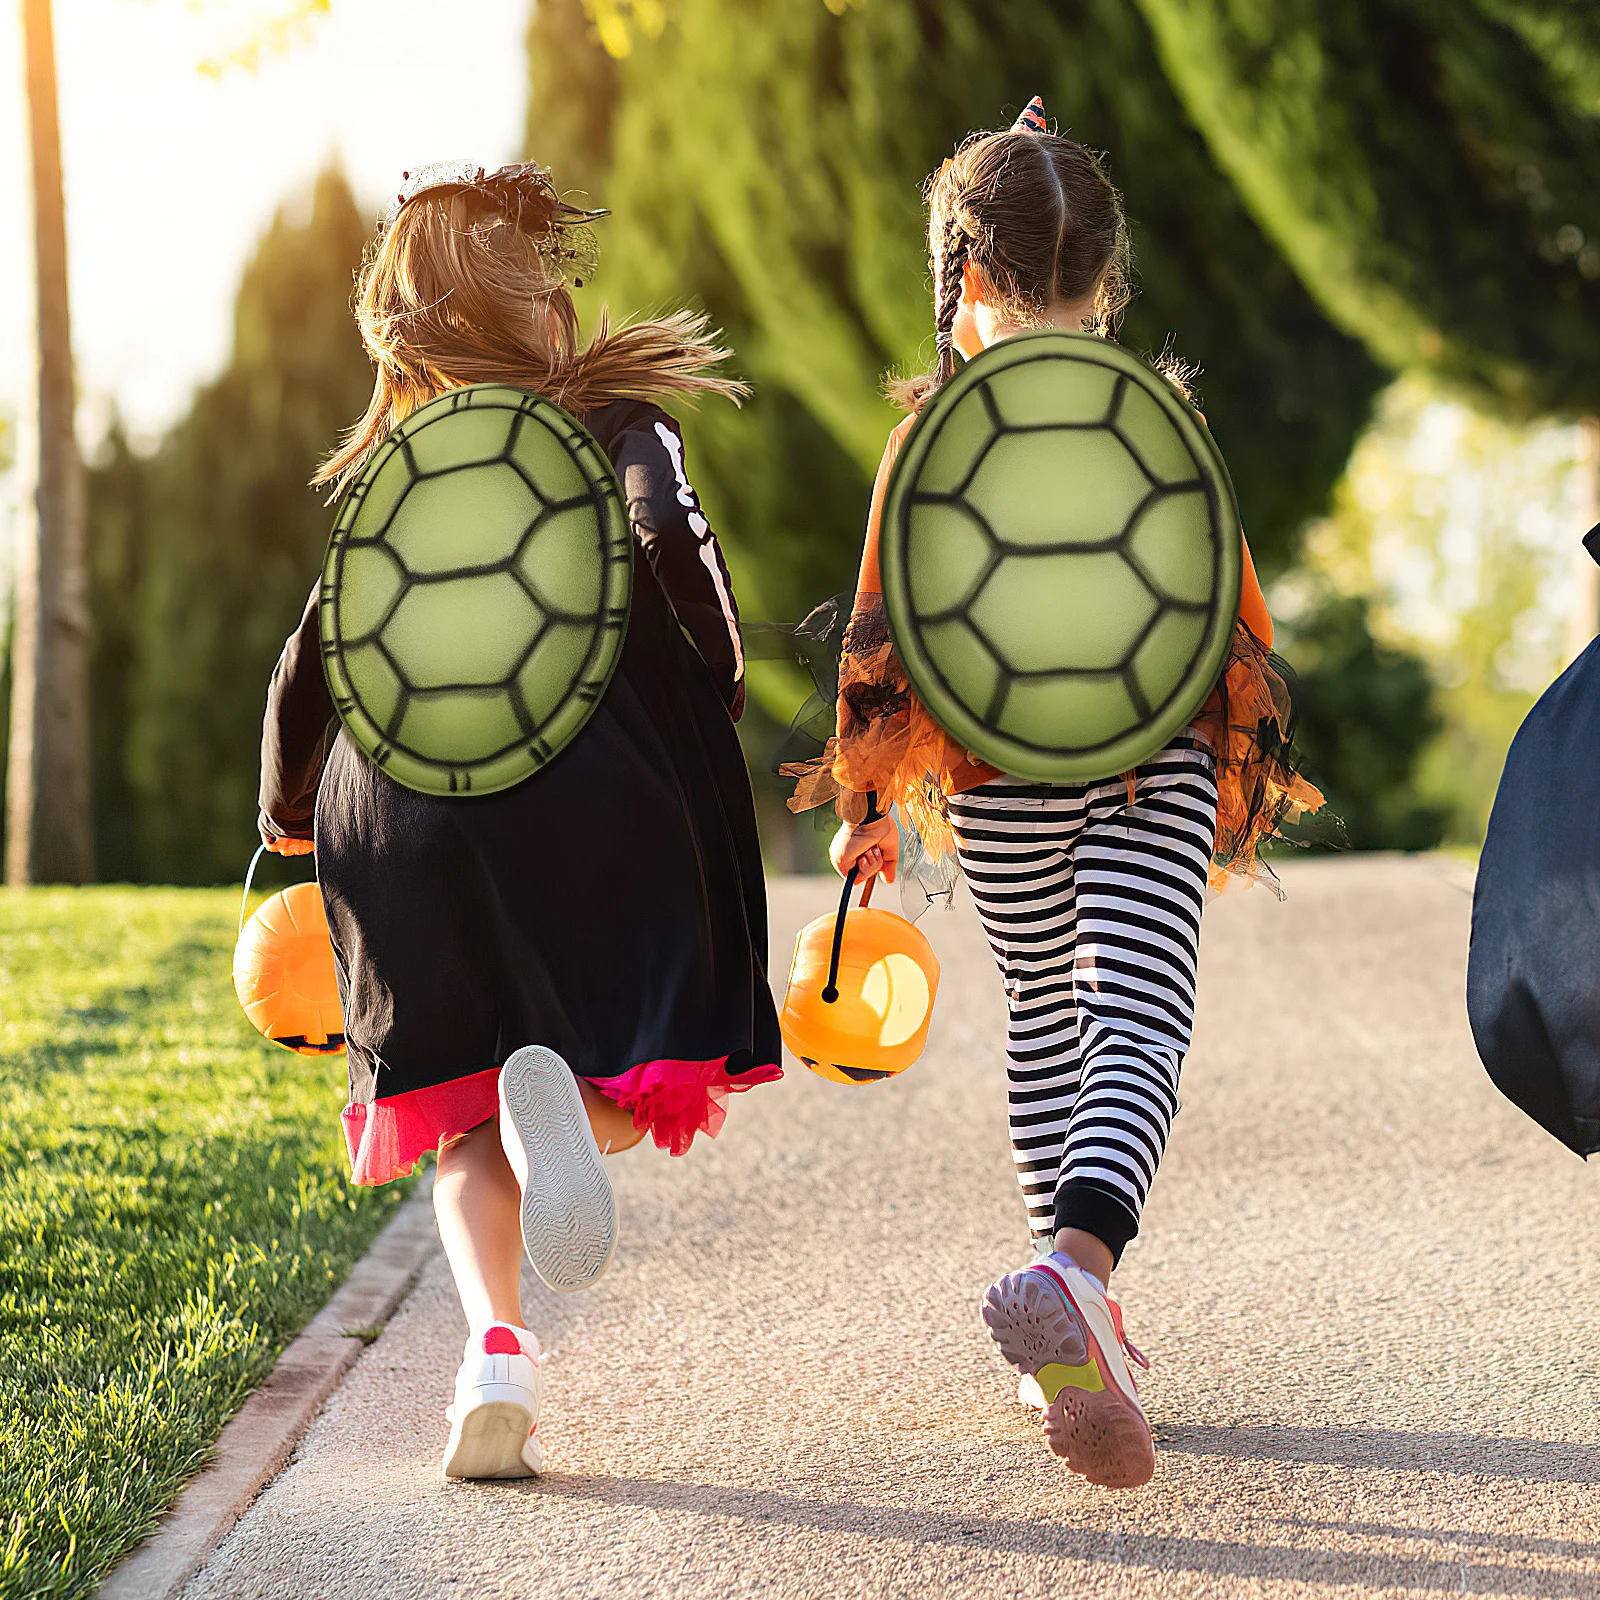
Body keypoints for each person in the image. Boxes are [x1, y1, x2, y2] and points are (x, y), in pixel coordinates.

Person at [789, 102, 1321, 1489]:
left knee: (1046, 1012)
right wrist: (1235, 753)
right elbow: (1224, 603)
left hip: (992, 772)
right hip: (1147, 753)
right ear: (1108, 283)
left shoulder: (928, 443)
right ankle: (1079, 1267)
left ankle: (1071, 1324)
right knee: (1141, 1011)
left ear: (962, 279)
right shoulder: (1150, 416)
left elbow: (879, 625)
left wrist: (861, 806)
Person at [258, 161, 782, 1481]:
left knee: (462, 1120)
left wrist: (286, 813)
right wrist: (708, 689)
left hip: (397, 813)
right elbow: (678, 552)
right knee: (624, 1061)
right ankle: (569, 1113)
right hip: (577, 777)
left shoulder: (396, 470)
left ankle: (495, 1350)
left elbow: (310, 654)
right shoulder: (610, 422)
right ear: (538, 304)